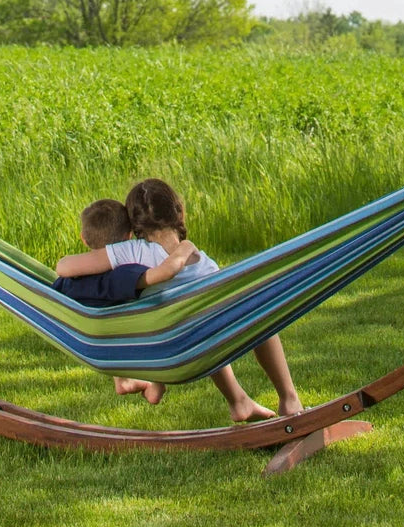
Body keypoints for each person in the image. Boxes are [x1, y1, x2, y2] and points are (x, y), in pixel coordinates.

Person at [56, 179, 304, 420]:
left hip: (170, 345)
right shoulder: (204, 264)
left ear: (134, 227)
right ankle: (288, 398)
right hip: (208, 339)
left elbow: (65, 268)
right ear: (179, 212)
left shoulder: (130, 251)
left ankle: (239, 401)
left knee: (198, 318)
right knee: (261, 313)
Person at [53, 198, 204, 405]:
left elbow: (61, 266)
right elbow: (162, 273)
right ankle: (153, 381)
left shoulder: (68, 282)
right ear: (129, 237)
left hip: (82, 331)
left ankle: (124, 380)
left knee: (117, 312)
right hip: (119, 334)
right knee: (145, 313)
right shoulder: (125, 274)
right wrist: (185, 247)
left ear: (84, 239)